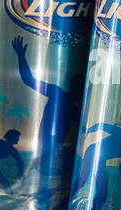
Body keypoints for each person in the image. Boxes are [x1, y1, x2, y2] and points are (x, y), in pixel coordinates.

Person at [11, 36, 83, 176]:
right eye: (78, 87)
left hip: (53, 157)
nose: (79, 91)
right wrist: (21, 56)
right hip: (45, 154)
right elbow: (29, 80)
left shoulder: (74, 109)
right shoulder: (57, 93)